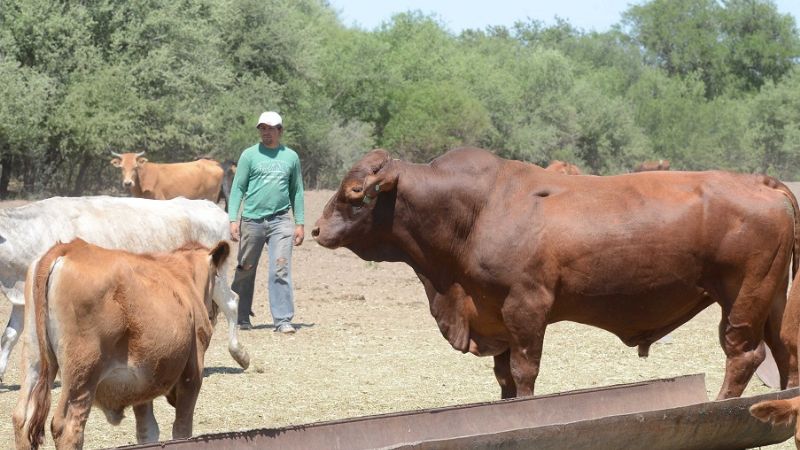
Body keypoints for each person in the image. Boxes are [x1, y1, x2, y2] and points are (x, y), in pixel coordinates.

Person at [228, 111, 305, 334]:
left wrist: (299, 222)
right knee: (245, 268)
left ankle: (282, 320)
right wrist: (233, 218)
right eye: (262, 128)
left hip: (281, 221)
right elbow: (238, 188)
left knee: (280, 268)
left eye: (271, 129)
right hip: (252, 220)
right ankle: (240, 316)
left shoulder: (290, 157)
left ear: (280, 131)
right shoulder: (249, 155)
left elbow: (297, 191)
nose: (266, 133)